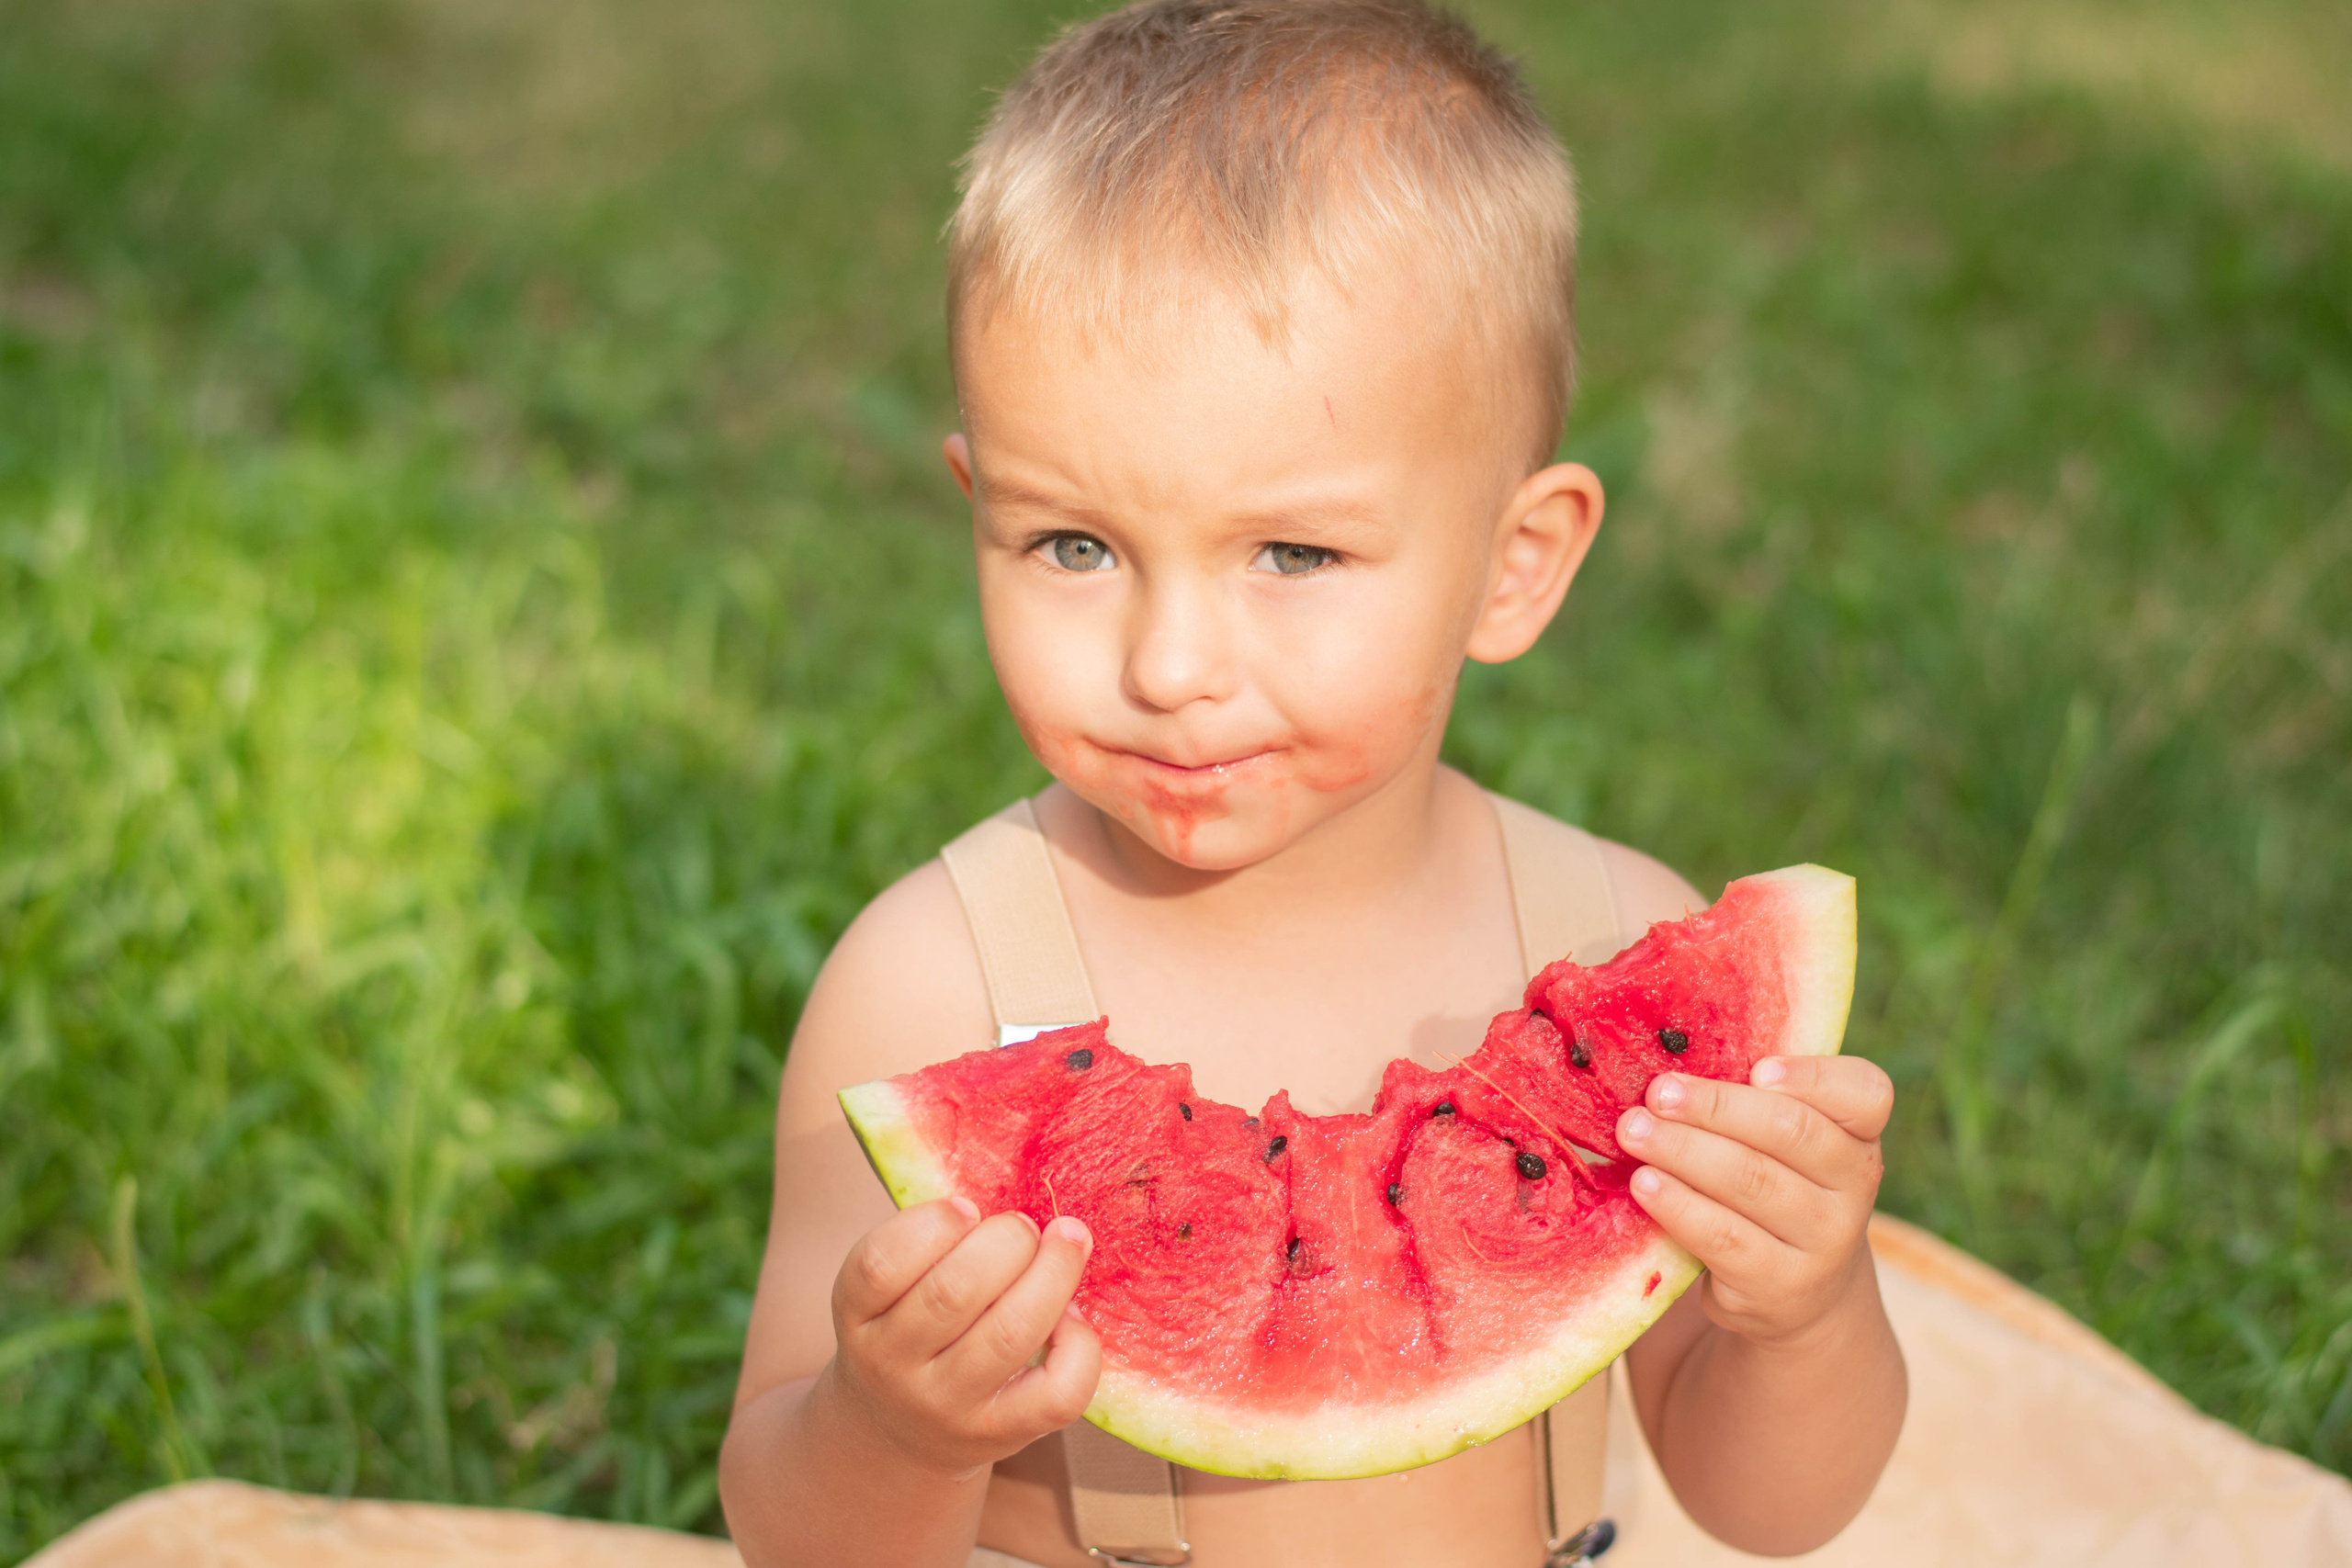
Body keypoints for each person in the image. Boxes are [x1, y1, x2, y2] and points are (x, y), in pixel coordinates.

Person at [717, 3, 1905, 1563]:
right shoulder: (928, 991)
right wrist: (888, 1428)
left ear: (1512, 565)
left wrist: (1805, 1312)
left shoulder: (1614, 940)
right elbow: (791, 1533)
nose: (1169, 663)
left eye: (1293, 554)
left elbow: (1768, 1510)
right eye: (1072, 545)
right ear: (974, 507)